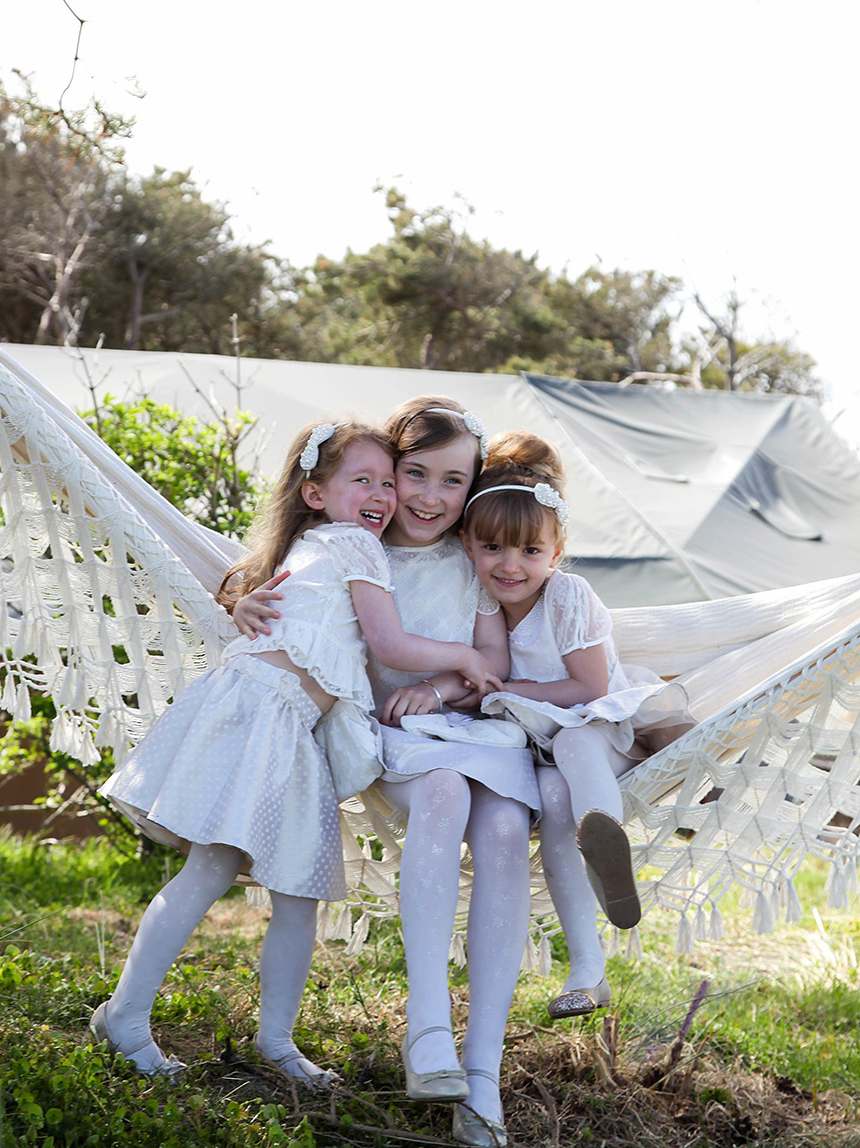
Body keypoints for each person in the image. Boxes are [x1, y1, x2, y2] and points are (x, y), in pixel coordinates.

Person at [93, 418, 502, 1086]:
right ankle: (126, 1017)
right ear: (315, 493)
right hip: (264, 713)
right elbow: (390, 646)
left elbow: (282, 605)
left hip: (294, 731)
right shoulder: (356, 546)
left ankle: (277, 1043)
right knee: (209, 871)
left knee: (297, 895)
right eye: (360, 480)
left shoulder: (320, 543)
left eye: (382, 480)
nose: (380, 493)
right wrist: (462, 655)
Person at [237, 398, 541, 1148]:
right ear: (389, 471)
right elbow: (265, 583)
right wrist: (243, 600)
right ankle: (428, 1026)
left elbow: (494, 664)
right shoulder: (345, 541)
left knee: (504, 827)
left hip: (460, 729)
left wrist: (439, 689)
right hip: (386, 745)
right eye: (415, 475)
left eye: (453, 481)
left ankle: (483, 1078)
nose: (431, 498)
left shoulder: (468, 559)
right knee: (442, 793)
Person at [461, 430, 694, 1018]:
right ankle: (588, 969)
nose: (510, 565)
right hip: (541, 749)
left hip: (603, 727)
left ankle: (605, 841)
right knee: (553, 796)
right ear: (468, 544)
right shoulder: (481, 599)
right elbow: (487, 670)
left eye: (529, 552)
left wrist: (510, 689)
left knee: (577, 743)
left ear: (556, 552)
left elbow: (591, 690)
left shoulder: (568, 596)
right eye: (493, 548)